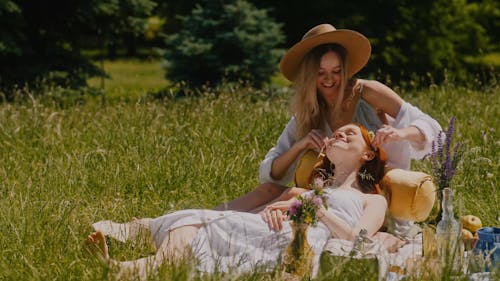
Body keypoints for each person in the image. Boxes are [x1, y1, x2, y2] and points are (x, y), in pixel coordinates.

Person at [86, 124, 389, 280]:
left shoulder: (371, 200)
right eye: (337, 132)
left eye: (350, 133)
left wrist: (319, 213)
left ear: (368, 154)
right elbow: (292, 204)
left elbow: (360, 240)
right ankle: (134, 267)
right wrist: (278, 208)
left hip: (302, 242)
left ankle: (128, 267)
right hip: (273, 227)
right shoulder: (311, 188)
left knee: (200, 225)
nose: (340, 134)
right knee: (192, 224)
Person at [214, 23, 442, 214]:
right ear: (309, 74)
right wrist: (300, 146)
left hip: (374, 192)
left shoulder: (368, 92)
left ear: (345, 69)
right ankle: (209, 218)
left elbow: (434, 131)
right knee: (272, 191)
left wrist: (400, 133)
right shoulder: (309, 112)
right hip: (331, 191)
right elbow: (270, 173)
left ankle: (241, 224)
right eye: (321, 72)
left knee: (292, 196)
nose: (329, 80)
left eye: (336, 71)